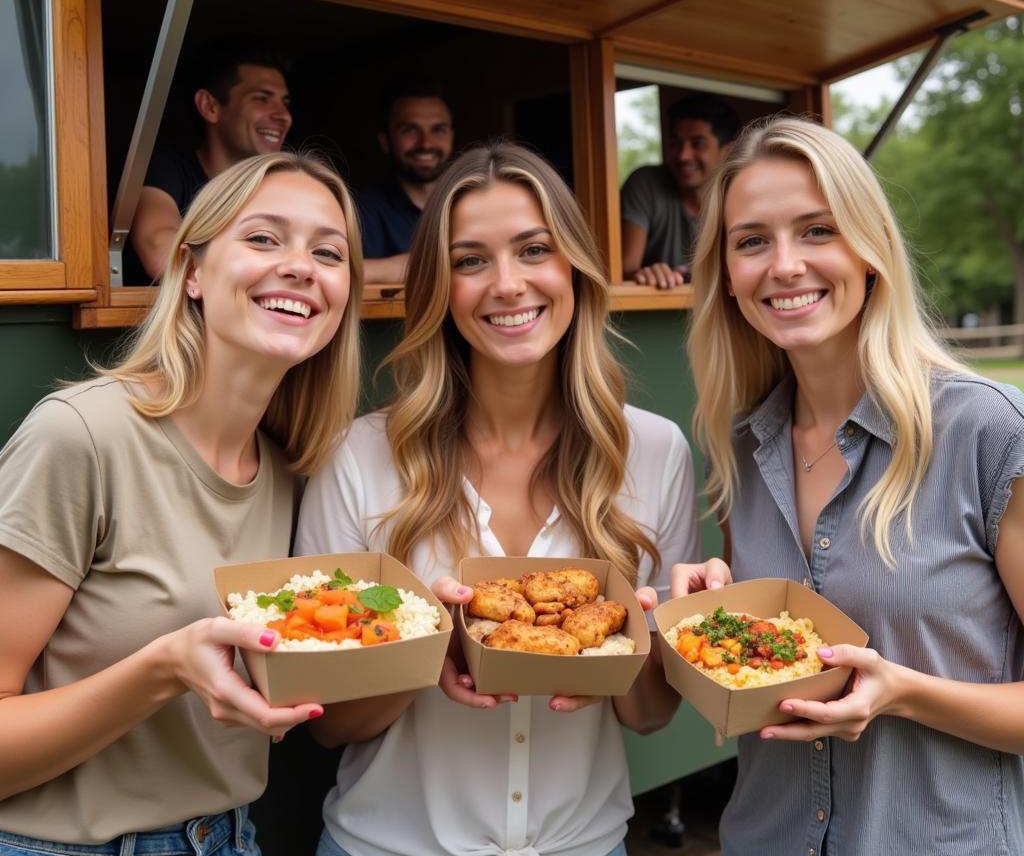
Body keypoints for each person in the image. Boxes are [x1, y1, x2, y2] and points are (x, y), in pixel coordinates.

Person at [297, 142, 726, 856]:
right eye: (470, 261)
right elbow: (329, 724)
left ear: (575, 270)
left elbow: (649, 717)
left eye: (534, 250)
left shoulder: (653, 451)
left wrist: (633, 651)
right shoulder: (358, 457)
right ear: (439, 288)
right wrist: (421, 652)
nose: (507, 284)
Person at [0, 151, 363, 854]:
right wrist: (165, 669)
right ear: (191, 271)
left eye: (329, 251)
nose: (300, 265)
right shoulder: (82, 436)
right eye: (263, 238)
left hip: (232, 838)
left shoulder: (293, 470)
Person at [682, 115, 1024, 855]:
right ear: (727, 276)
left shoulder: (988, 434)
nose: (784, 265)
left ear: (870, 251)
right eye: (751, 241)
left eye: (817, 231)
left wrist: (904, 693)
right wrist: (708, 620)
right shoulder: (739, 448)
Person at [126, 37, 293, 283]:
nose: (284, 116)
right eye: (261, 98)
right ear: (210, 106)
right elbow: (162, 254)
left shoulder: (284, 186)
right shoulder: (168, 168)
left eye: (285, 103)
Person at [621, 93, 738, 289]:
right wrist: (645, 275)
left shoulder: (742, 196)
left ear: (727, 152)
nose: (683, 155)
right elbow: (622, 271)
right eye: (675, 143)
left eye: (697, 144)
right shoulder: (646, 184)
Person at [358, 85, 454, 283]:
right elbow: (331, 271)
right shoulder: (361, 210)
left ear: (451, 136)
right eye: (410, 130)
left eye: (438, 130)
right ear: (385, 141)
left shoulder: (471, 204)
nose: (426, 143)